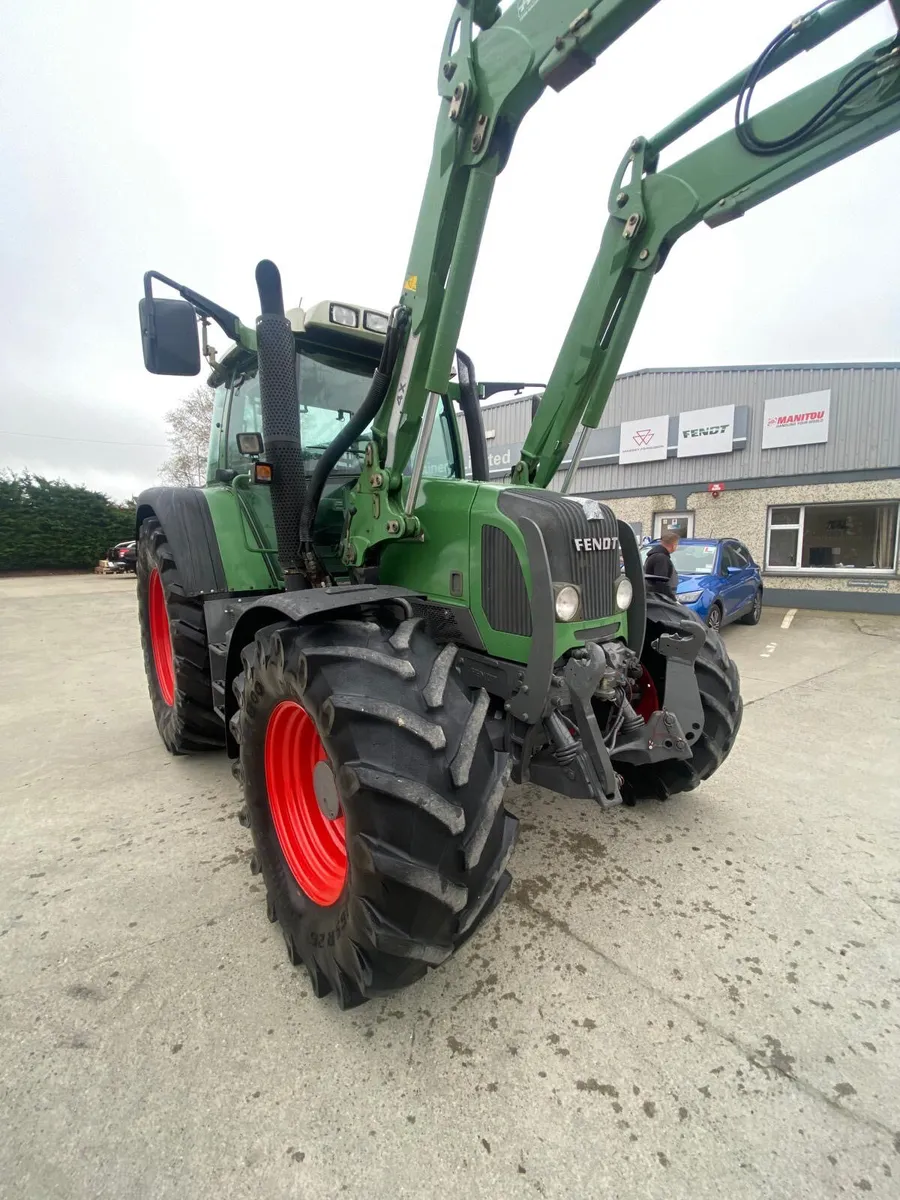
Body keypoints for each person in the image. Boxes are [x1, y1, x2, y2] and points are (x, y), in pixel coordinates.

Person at [644, 531, 679, 600]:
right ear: (673, 545)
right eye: (677, 544)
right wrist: (672, 599)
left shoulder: (655, 556)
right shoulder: (661, 558)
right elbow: (661, 582)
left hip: (654, 597)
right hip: (661, 600)